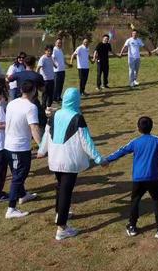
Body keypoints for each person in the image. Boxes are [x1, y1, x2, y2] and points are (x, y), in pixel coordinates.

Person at [37, 88, 106, 240]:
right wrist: (99, 159)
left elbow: (46, 136)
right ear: (76, 101)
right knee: (65, 192)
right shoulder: (77, 118)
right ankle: (62, 228)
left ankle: (59, 213)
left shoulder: (54, 115)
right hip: (69, 161)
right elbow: (86, 141)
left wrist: (42, 150)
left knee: (60, 187)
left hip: (55, 159)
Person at [105, 116, 158, 239]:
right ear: (151, 127)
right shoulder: (156, 140)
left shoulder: (135, 142)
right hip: (153, 178)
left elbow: (121, 151)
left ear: (138, 128)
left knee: (135, 201)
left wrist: (107, 160)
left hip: (138, 178)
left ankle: (132, 226)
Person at [4, 80, 43, 219]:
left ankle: (23, 195)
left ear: (21, 90)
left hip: (9, 145)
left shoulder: (12, 103)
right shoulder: (31, 107)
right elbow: (34, 127)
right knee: (18, 176)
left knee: (18, 173)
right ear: (33, 91)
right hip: (18, 148)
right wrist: (42, 146)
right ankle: (11, 208)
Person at [7, 55, 46, 128]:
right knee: (42, 118)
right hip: (33, 99)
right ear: (34, 64)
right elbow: (43, 89)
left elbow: (7, 79)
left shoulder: (18, 74)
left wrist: (7, 88)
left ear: (24, 63)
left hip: (20, 98)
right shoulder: (38, 76)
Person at [37, 45, 57, 109]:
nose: (50, 52)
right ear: (45, 51)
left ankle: (49, 107)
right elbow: (38, 68)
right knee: (45, 95)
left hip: (51, 79)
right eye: (48, 51)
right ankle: (43, 108)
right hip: (45, 80)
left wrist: (55, 66)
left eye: (51, 51)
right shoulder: (43, 58)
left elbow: (52, 63)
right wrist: (36, 76)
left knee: (51, 94)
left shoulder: (50, 57)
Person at [52, 38, 66, 103]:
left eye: (60, 43)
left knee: (61, 84)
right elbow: (51, 59)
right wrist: (54, 65)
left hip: (62, 70)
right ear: (55, 43)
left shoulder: (60, 50)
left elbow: (62, 59)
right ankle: (54, 98)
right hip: (56, 71)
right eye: (58, 43)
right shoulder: (54, 50)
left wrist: (68, 64)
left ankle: (59, 97)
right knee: (56, 85)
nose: (59, 44)